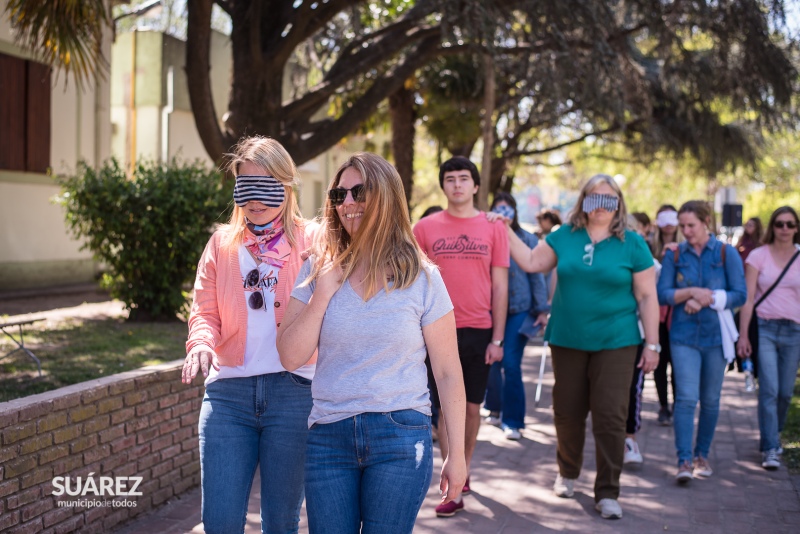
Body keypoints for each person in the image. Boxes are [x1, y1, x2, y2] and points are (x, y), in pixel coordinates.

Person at [277, 153, 467, 533]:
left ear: (385, 197)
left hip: (400, 434)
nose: (348, 203)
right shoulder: (317, 268)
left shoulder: (423, 277)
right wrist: (323, 293)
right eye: (339, 194)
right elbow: (289, 356)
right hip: (329, 436)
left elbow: (447, 372)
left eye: (359, 192)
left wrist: (457, 455)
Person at [505, 174, 660, 520]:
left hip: (617, 341)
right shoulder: (565, 236)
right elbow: (531, 262)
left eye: (608, 199)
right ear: (583, 202)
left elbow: (648, 297)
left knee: (610, 415)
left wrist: (653, 345)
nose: (601, 206)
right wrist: (504, 230)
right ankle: (568, 472)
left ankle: (608, 492)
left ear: (618, 203)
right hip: (567, 338)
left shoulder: (633, 243)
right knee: (568, 411)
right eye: (594, 198)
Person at [183, 136, 316, 533]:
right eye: (245, 188)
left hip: (295, 393)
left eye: (265, 187)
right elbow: (204, 310)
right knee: (220, 522)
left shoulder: (313, 240)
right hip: (229, 396)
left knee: (280, 522)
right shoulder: (222, 244)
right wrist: (202, 342)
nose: (254, 200)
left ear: (286, 185)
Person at [413, 156, 509, 517]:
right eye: (450, 178)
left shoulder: (494, 227)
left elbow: (501, 286)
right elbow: (412, 281)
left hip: (479, 329)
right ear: (443, 185)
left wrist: (498, 338)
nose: (457, 184)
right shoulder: (423, 228)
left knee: (471, 407)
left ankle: (463, 468)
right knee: (442, 406)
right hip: (436, 328)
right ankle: (451, 480)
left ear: (475, 185)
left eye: (463, 178)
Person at [657, 200, 746, 484]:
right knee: (685, 398)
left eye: (690, 225)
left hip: (716, 339)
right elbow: (664, 294)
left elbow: (740, 294)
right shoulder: (675, 254)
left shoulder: (725, 253)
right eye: (682, 226)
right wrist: (692, 293)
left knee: (710, 401)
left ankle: (701, 455)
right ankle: (683, 460)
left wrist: (712, 298)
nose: (685, 231)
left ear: (705, 221)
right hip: (682, 337)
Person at [736, 206, 800, 470]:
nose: (784, 229)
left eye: (790, 224)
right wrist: (743, 336)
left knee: (785, 393)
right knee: (770, 390)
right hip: (764, 328)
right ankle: (772, 447)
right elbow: (748, 300)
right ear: (772, 227)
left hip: (794, 330)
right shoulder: (758, 256)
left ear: (796, 228)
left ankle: (771, 435)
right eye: (780, 224)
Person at [483, 192, 549, 441]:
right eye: (499, 207)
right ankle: (495, 407)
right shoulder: (486, 234)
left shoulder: (527, 239)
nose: (503, 212)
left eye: (507, 207)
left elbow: (537, 276)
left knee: (510, 363)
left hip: (521, 310)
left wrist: (541, 310)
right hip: (491, 309)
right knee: (492, 361)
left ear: (514, 211)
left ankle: (514, 421)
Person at [652, 204, 683, 425]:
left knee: (679, 362)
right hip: (655, 313)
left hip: (679, 313)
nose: (669, 224)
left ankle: (679, 405)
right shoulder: (649, 247)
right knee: (660, 362)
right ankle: (664, 406)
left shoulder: (686, 247)